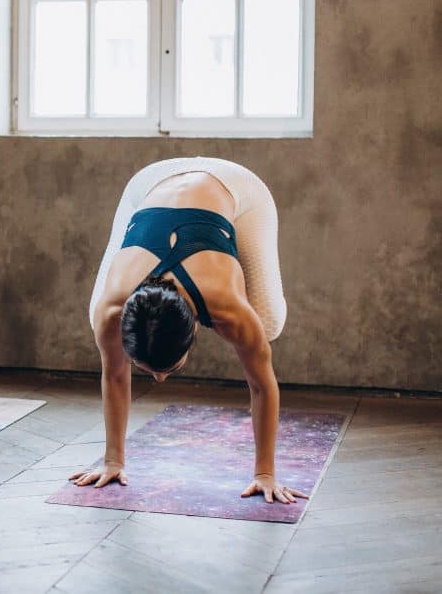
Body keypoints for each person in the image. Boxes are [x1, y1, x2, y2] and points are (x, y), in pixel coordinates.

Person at [72, 157, 308, 505]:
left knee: (266, 324)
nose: (160, 380)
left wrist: (265, 474)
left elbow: (262, 384)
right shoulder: (112, 310)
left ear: (197, 328)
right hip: (150, 183)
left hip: (234, 184)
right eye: (151, 370)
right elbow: (115, 375)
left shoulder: (228, 307)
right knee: (97, 316)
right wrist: (112, 461)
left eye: (170, 369)